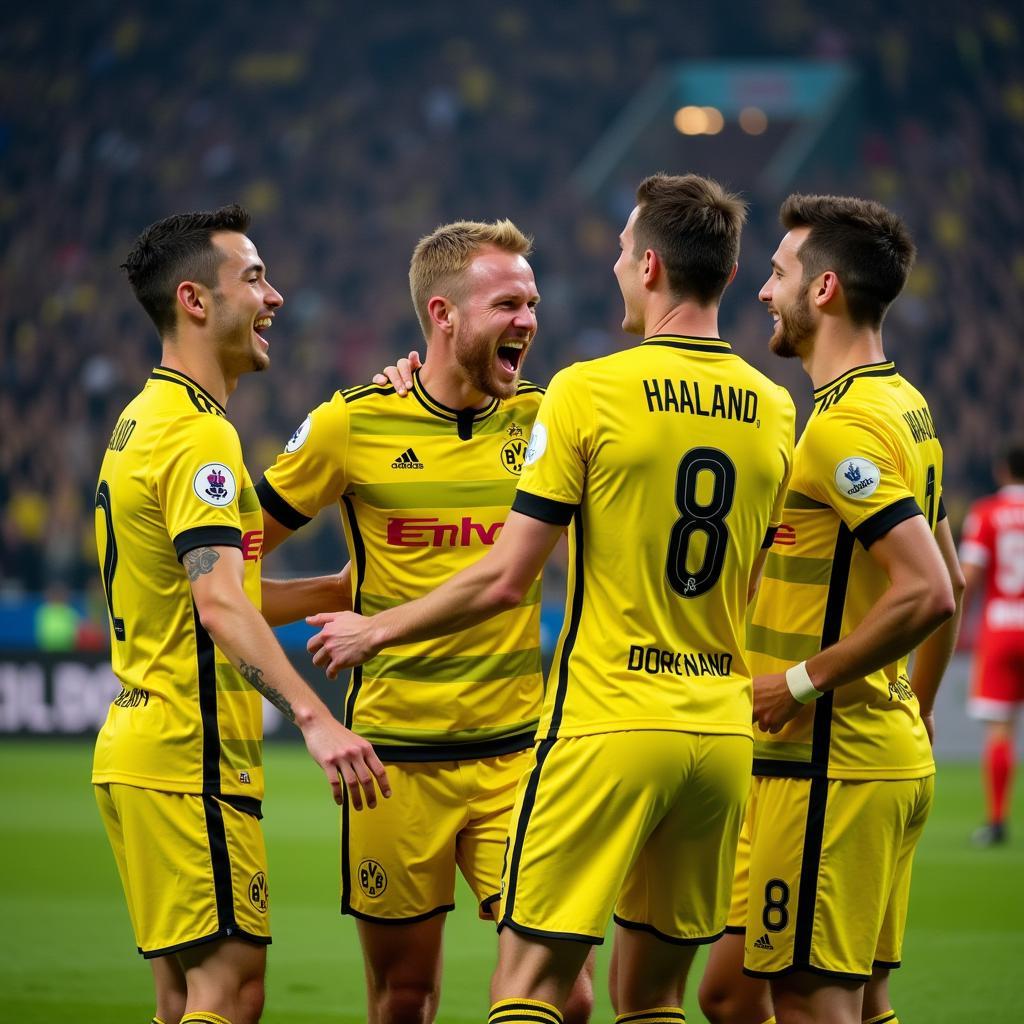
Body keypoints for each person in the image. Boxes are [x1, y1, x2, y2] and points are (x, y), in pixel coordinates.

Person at [304, 173, 797, 1024]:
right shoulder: (776, 407)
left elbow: (506, 578)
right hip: (719, 734)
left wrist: (375, 627)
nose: (609, 269)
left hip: (606, 722)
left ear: (649, 267)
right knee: (651, 999)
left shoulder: (583, 391)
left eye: (617, 253)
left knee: (530, 989)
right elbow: (751, 578)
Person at [256, 219, 593, 1024]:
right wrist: (344, 590)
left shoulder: (550, 422)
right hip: (391, 767)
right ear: (443, 315)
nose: (528, 321)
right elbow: (226, 575)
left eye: (533, 302)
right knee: (404, 998)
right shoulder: (351, 423)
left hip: (517, 757)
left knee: (569, 998)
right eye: (507, 303)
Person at [92, 205, 390, 1024]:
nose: (276, 297)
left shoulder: (141, 422)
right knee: (232, 992)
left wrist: (334, 590)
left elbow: (209, 591)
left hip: (138, 749)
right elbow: (219, 601)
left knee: (184, 1000)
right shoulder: (198, 436)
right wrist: (312, 715)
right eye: (254, 278)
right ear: (194, 300)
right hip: (189, 757)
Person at [698, 195, 964, 1024]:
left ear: (823, 291)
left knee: (812, 1001)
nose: (762, 291)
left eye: (777, 273)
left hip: (828, 766)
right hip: (865, 758)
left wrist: (802, 684)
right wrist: (911, 708)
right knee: (732, 994)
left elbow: (930, 588)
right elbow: (947, 579)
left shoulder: (840, 429)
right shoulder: (906, 408)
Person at [959, 440, 1024, 846]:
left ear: (1002, 471)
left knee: (999, 730)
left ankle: (997, 821)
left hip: (1000, 630)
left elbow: (969, 577)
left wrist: (959, 627)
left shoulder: (986, 514)